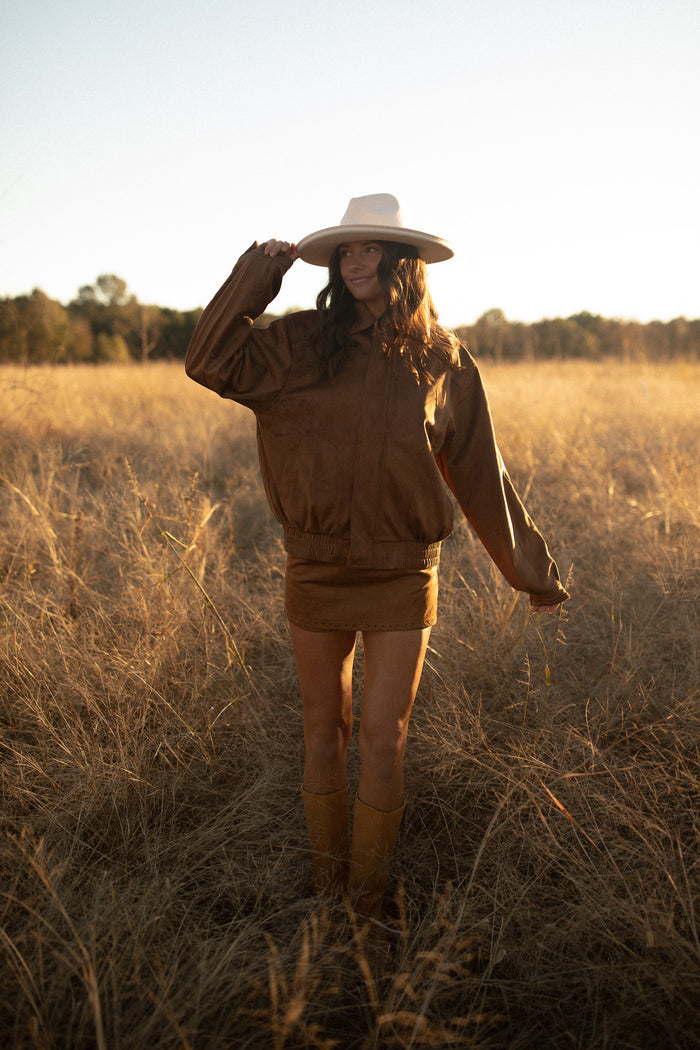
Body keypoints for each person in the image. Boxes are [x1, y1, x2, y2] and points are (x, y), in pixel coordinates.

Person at [185, 193, 569, 924]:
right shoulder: (297, 344)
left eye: (370, 249)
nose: (355, 261)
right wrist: (254, 279)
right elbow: (206, 359)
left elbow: (483, 476)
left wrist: (533, 575)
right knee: (323, 730)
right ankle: (329, 894)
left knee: (384, 738)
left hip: (402, 575)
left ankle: (367, 902)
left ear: (405, 263)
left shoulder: (445, 361)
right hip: (317, 567)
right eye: (345, 250)